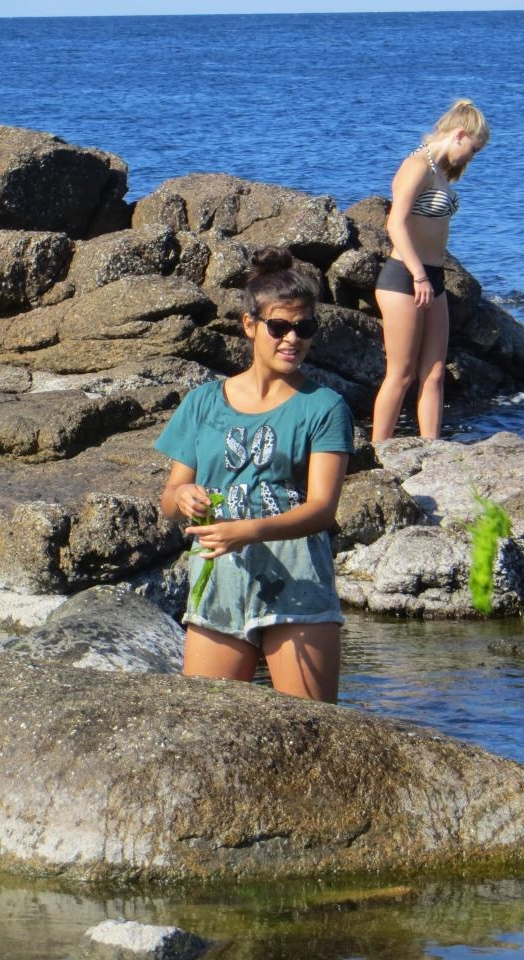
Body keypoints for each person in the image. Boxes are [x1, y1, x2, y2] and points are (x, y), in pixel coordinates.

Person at [156, 247, 354, 703]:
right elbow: (169, 497)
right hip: (218, 586)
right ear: (250, 326)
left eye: (304, 328)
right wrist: (184, 494)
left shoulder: (325, 408)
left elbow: (322, 510)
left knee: (313, 734)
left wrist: (248, 531)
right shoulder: (204, 402)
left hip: (299, 588)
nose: (292, 339)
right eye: (279, 327)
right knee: (207, 728)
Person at [371, 98, 488, 442]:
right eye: (474, 149)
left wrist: (429, 277)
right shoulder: (416, 165)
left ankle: (432, 449)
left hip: (433, 278)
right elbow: (395, 224)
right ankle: (378, 449)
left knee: (435, 373)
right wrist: (419, 274)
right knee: (401, 373)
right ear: (459, 134)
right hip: (404, 278)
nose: (472, 157)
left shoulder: (438, 172)